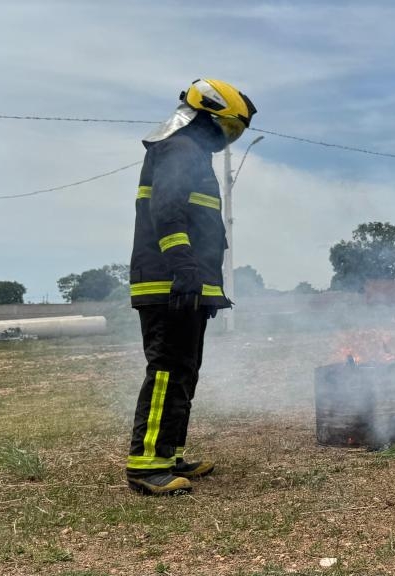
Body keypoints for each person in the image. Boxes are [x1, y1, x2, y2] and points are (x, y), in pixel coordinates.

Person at [125, 79, 257, 495]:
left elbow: (201, 228)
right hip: (170, 285)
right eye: (227, 130)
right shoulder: (179, 150)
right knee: (166, 372)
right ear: (207, 118)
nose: (225, 140)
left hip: (184, 285)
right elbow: (167, 214)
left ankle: (168, 454)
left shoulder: (189, 153)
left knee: (183, 371)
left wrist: (206, 287)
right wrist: (184, 273)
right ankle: (146, 467)